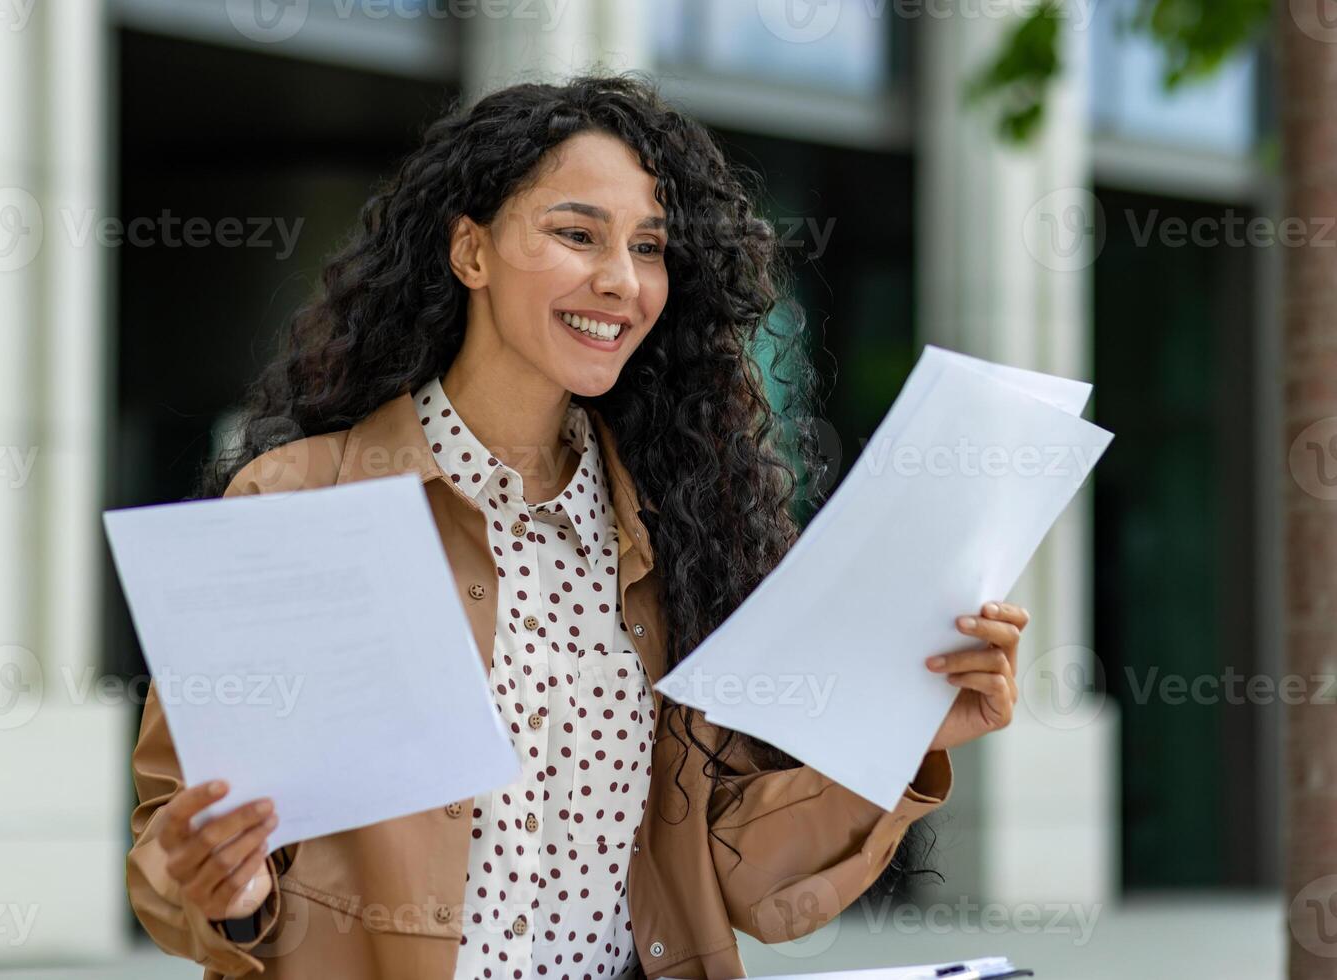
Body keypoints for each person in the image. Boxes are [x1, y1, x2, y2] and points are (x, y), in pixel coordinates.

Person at [126, 73, 1028, 980]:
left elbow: (736, 879)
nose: (621, 281)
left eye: (649, 246)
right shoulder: (299, 502)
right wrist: (228, 895)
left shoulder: (677, 529)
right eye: (576, 234)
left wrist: (903, 730)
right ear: (469, 251)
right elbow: (177, 844)